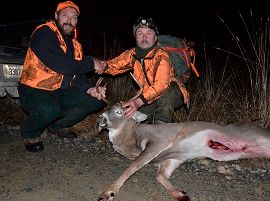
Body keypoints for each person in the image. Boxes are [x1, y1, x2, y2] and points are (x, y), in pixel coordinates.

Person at [18, 1, 106, 153]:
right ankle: (29, 132)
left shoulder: (76, 46)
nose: (69, 20)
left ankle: (57, 126)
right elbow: (62, 65)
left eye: (74, 17)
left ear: (77, 21)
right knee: (49, 110)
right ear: (56, 16)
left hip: (60, 91)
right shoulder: (44, 33)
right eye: (65, 15)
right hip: (34, 90)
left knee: (95, 101)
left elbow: (77, 75)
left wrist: (90, 89)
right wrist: (92, 62)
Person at [100, 17, 190, 124]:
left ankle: (162, 128)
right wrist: (99, 65)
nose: (144, 37)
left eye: (149, 33)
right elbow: (114, 65)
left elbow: (161, 85)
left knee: (167, 95)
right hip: (147, 98)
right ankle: (156, 119)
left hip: (170, 95)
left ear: (155, 37)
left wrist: (138, 102)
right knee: (131, 118)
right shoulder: (131, 54)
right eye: (140, 33)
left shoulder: (162, 55)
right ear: (135, 37)